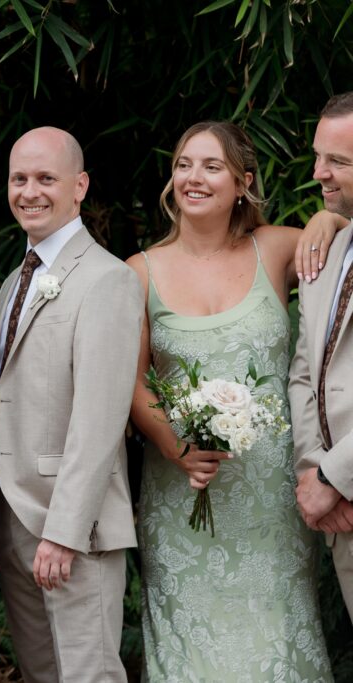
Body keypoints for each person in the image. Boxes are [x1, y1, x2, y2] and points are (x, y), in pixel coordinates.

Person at [129, 121, 337, 680]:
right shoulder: (139, 271)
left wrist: (328, 216)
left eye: (211, 166)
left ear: (243, 182)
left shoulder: (276, 246)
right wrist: (176, 449)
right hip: (181, 489)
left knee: (277, 637)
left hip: (271, 492)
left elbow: (343, 242)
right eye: (183, 165)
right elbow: (134, 382)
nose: (193, 177)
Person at [0, 127, 143, 682]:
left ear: (80, 185)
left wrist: (64, 531)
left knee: (88, 673)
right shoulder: (11, 283)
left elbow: (99, 423)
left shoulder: (107, 279)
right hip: (11, 514)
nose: (30, 192)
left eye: (46, 178)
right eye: (19, 179)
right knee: (42, 673)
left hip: (71, 523)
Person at [291, 92, 353, 622]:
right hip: (345, 521)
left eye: (338, 161)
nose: (318, 173)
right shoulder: (328, 251)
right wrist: (315, 474)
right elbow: (305, 374)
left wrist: (334, 477)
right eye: (318, 156)